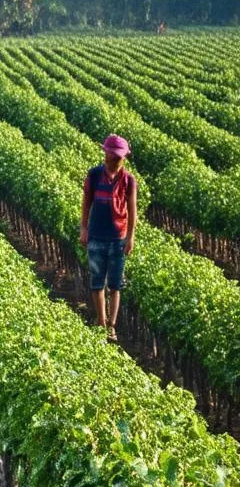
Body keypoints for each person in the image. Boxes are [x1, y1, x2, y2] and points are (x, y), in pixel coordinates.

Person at [80, 134, 137, 341]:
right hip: (96, 235)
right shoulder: (94, 175)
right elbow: (86, 202)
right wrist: (84, 229)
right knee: (97, 282)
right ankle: (101, 322)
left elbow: (132, 211)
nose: (112, 160)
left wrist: (130, 238)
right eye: (110, 157)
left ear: (122, 159)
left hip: (117, 238)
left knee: (115, 284)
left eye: (116, 158)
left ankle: (111, 325)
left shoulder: (129, 181)